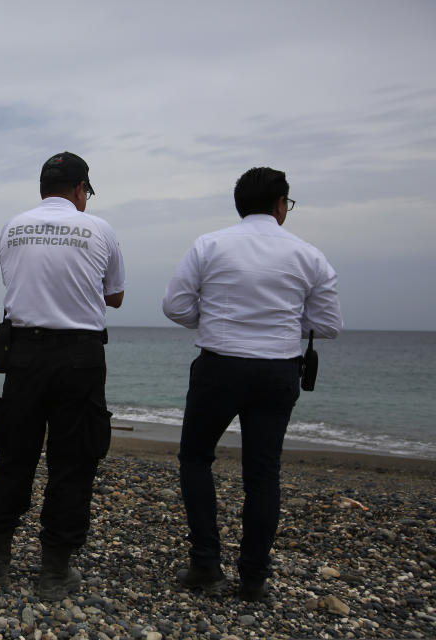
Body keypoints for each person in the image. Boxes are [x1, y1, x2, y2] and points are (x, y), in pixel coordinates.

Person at [162, 167, 342, 601]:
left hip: (219, 365)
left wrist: (216, 321)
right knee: (262, 474)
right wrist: (281, 323)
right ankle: (253, 578)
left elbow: (175, 306)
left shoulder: (210, 245)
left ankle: (206, 562)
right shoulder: (309, 255)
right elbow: (328, 325)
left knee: (196, 458)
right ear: (281, 205)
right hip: (277, 369)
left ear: (240, 204)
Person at [0, 152, 126, 600]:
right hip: (78, 355)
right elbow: (113, 296)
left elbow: (18, 280)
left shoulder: (12, 227)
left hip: (24, 354)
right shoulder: (100, 229)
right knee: (74, 461)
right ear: (81, 189)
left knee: (14, 454)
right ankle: (54, 570)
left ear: (44, 188)